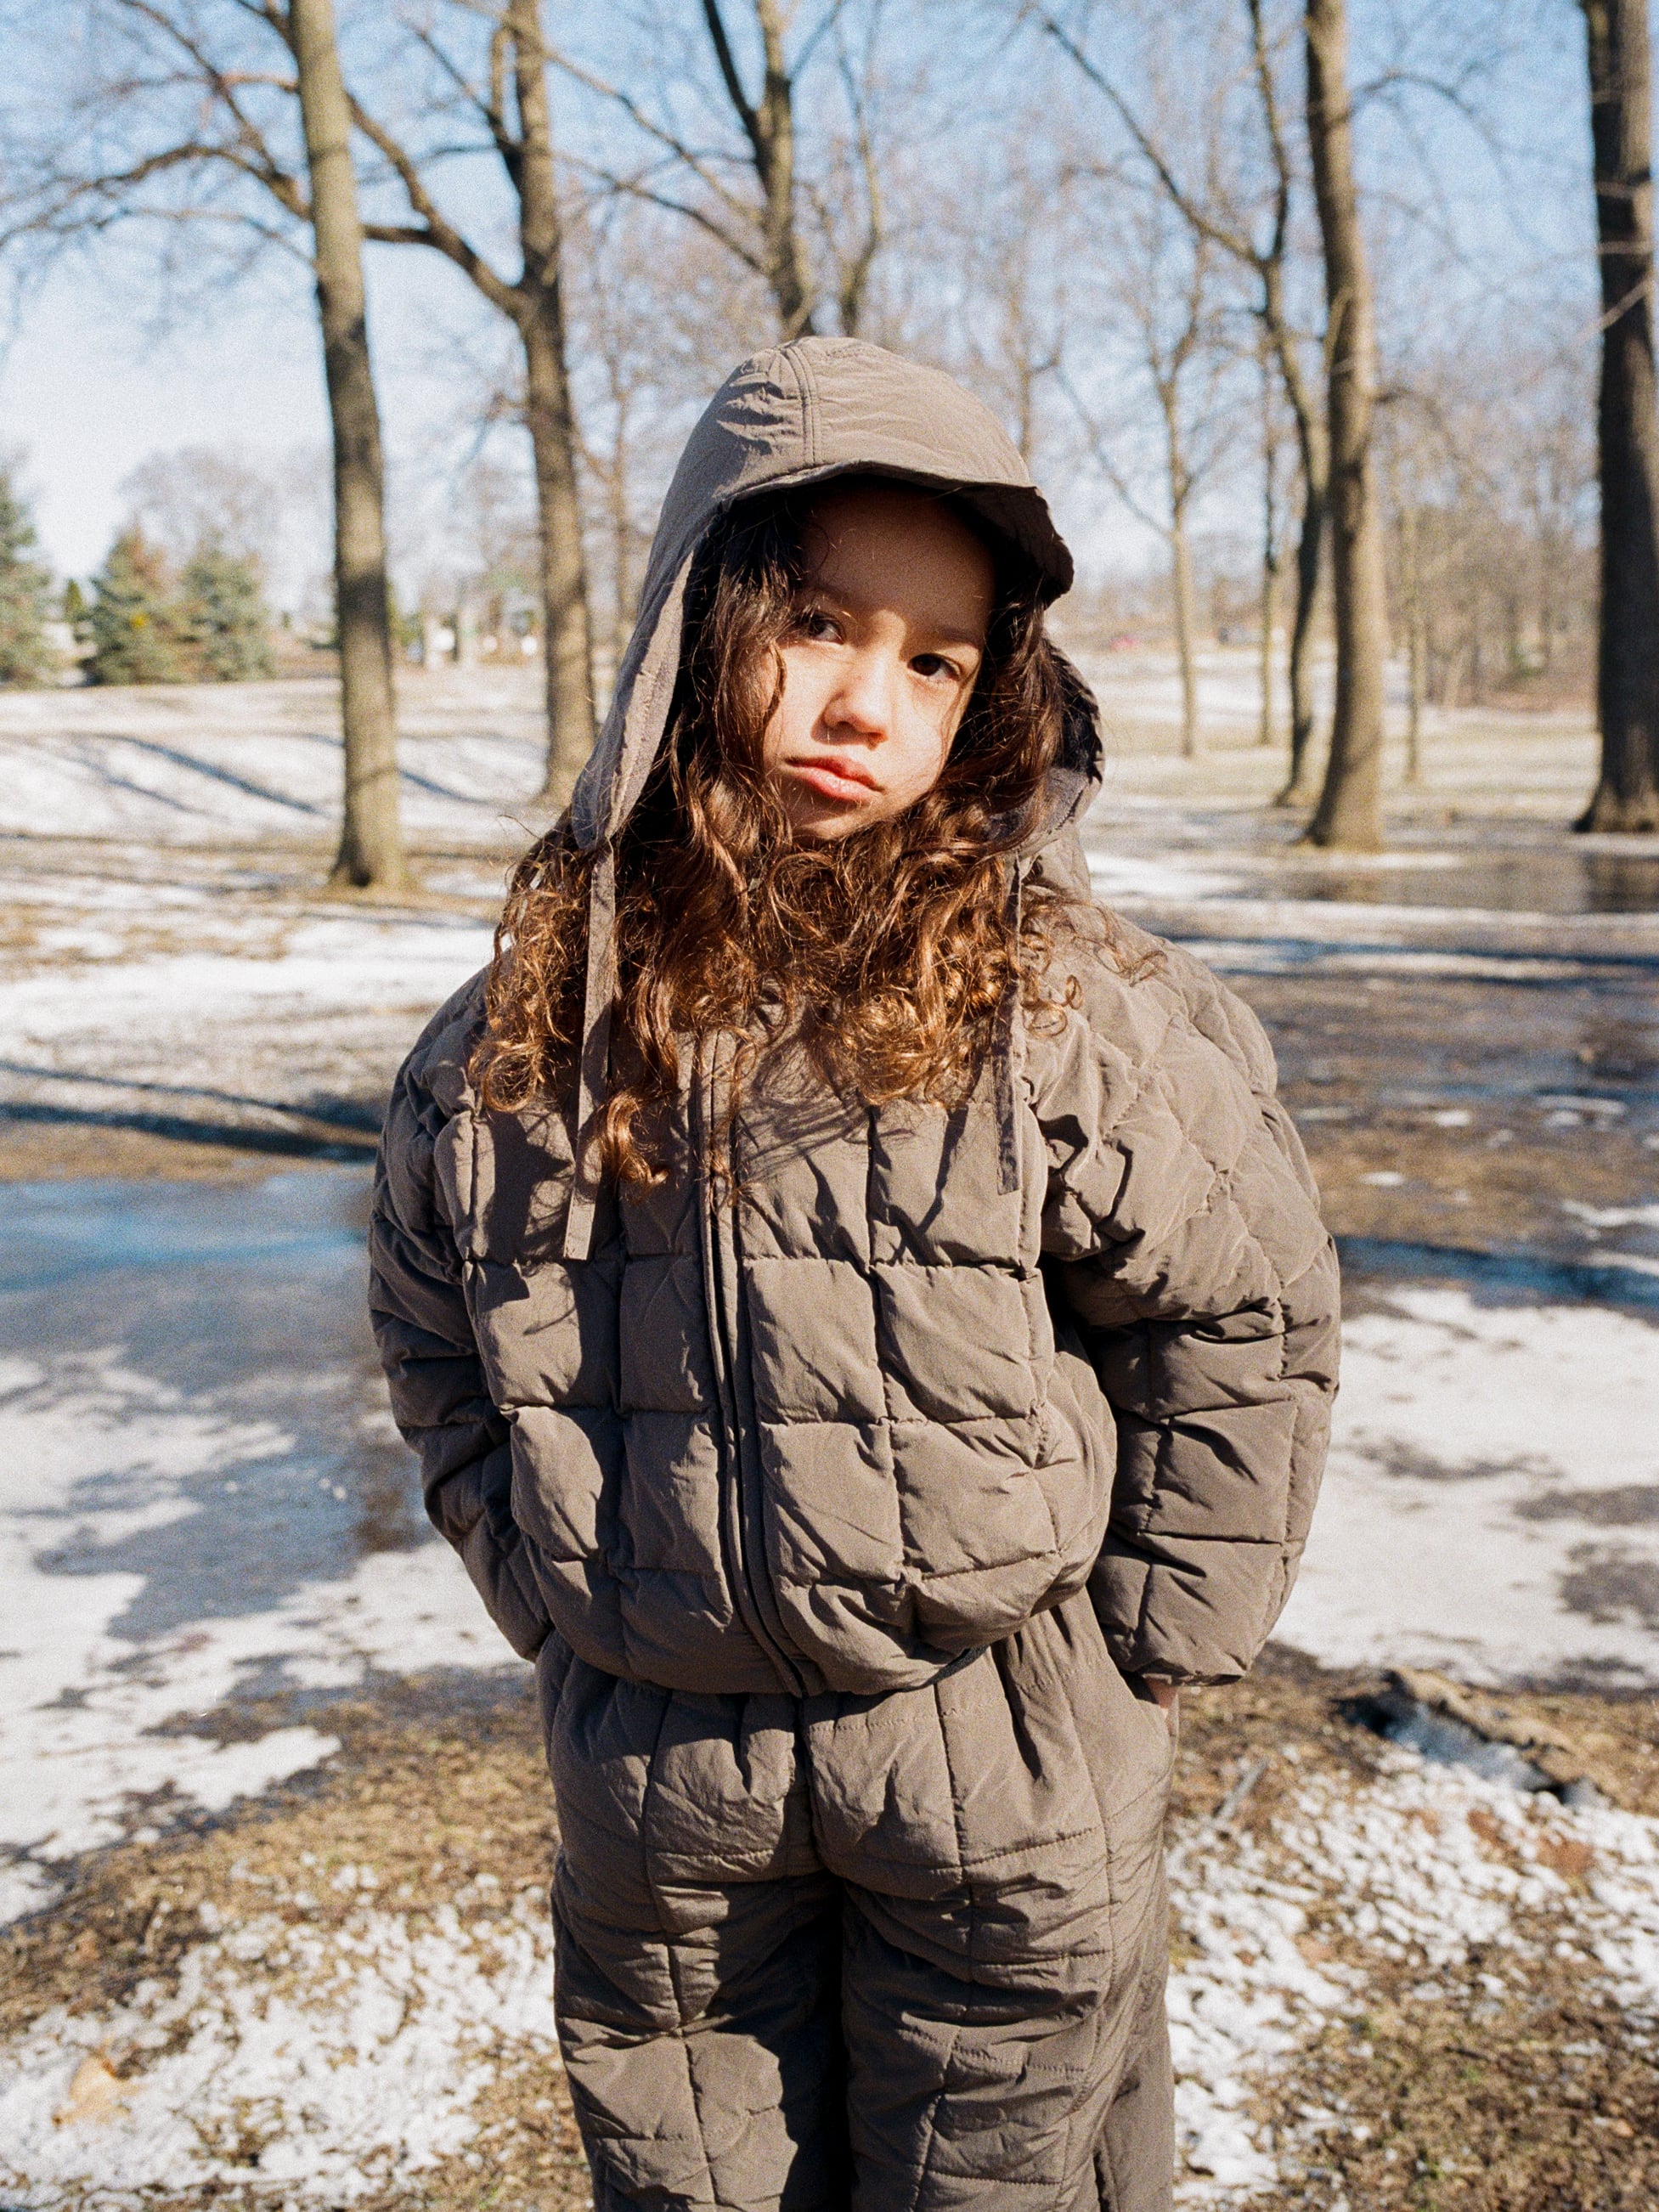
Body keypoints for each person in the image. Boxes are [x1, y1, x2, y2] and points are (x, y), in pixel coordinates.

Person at [369, 336, 1339, 2212]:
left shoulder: (1062, 1004)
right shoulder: (521, 1033)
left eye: (933, 662)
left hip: (999, 1746)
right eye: (816, 624)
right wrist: (554, 1598)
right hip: (664, 1784)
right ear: (696, 621)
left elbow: (1245, 1306)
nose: (864, 703)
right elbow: (430, 1325)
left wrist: (1146, 1640)